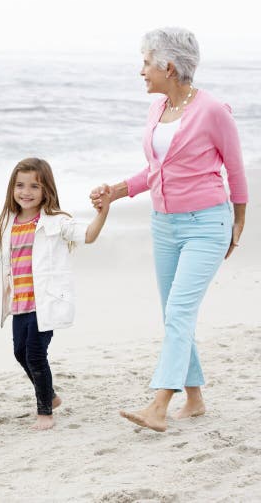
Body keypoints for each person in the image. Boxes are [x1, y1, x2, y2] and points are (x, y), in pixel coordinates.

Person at [90, 27, 249, 432]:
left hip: (206, 224)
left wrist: (239, 221)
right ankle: (194, 399)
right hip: (164, 225)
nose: (141, 70)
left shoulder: (213, 111)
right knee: (173, 314)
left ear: (169, 67)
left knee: (179, 311)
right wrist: (117, 190)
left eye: (147, 63)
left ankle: (159, 404)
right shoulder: (157, 109)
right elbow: (157, 170)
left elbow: (234, 168)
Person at [0, 158, 110, 429]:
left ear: (46, 190)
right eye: (20, 185)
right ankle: (50, 396)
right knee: (19, 352)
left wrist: (103, 212)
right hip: (20, 302)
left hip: (45, 302)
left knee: (36, 355)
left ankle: (45, 412)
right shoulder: (8, 221)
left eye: (33, 186)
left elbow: (88, 235)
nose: (25, 192)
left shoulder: (55, 222)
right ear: (12, 189)